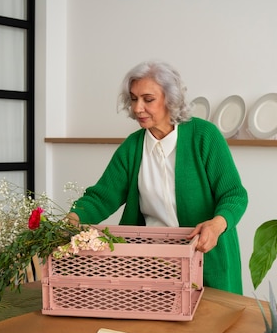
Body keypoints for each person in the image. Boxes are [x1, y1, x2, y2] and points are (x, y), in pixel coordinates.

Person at [68, 60, 248, 293]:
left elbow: (234, 194)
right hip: (152, 267)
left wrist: (216, 225)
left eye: (148, 99)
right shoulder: (132, 148)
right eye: (133, 99)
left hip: (206, 260)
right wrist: (71, 219)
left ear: (170, 100)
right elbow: (101, 197)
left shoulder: (204, 136)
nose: (137, 108)